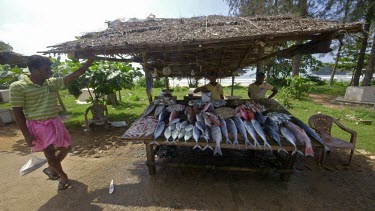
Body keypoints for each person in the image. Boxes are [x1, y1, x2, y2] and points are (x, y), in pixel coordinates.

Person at [9, 55, 94, 190]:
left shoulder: (51, 83)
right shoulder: (18, 87)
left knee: (67, 148)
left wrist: (87, 64)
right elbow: (17, 112)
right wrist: (27, 135)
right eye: (46, 69)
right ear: (35, 71)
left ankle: (51, 168)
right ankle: (63, 176)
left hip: (55, 121)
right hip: (38, 125)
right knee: (49, 152)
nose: (50, 71)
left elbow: (72, 76)